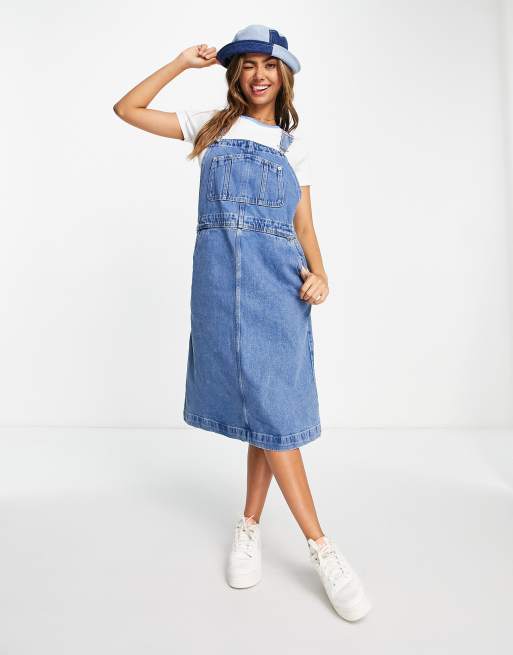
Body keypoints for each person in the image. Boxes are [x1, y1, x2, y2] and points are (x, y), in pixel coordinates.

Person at [113, 24, 372, 622]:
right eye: (249, 64)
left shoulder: (292, 146)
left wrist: (322, 274)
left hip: (278, 286)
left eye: (270, 65)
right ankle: (260, 528)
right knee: (261, 407)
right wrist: (180, 62)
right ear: (235, 74)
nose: (259, 74)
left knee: (270, 409)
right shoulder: (212, 124)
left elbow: (303, 224)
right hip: (219, 285)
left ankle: (313, 545)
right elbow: (127, 109)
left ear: (284, 76)